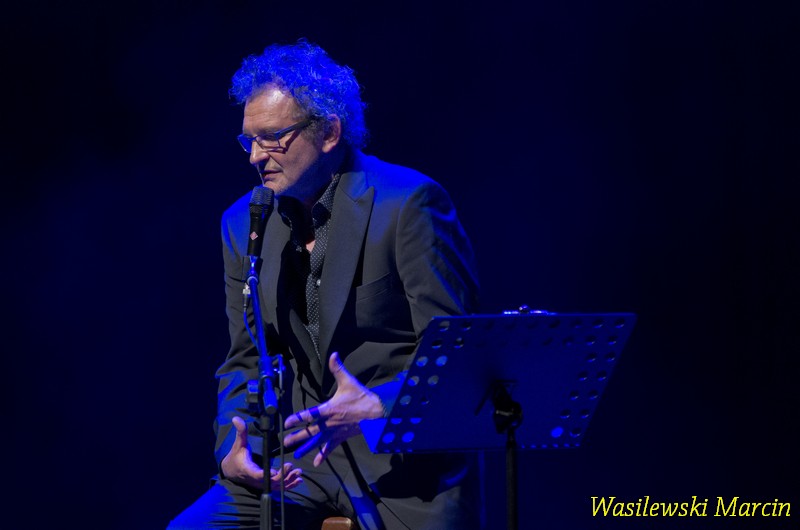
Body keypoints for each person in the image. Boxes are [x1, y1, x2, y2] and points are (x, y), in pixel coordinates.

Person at [169, 40, 481, 530]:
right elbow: (245, 357)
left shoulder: (409, 204)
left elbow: (461, 357)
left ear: (330, 132)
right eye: (248, 141)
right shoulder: (242, 223)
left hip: (401, 469)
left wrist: (376, 405)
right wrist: (233, 447)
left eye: (273, 138)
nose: (255, 156)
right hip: (299, 466)